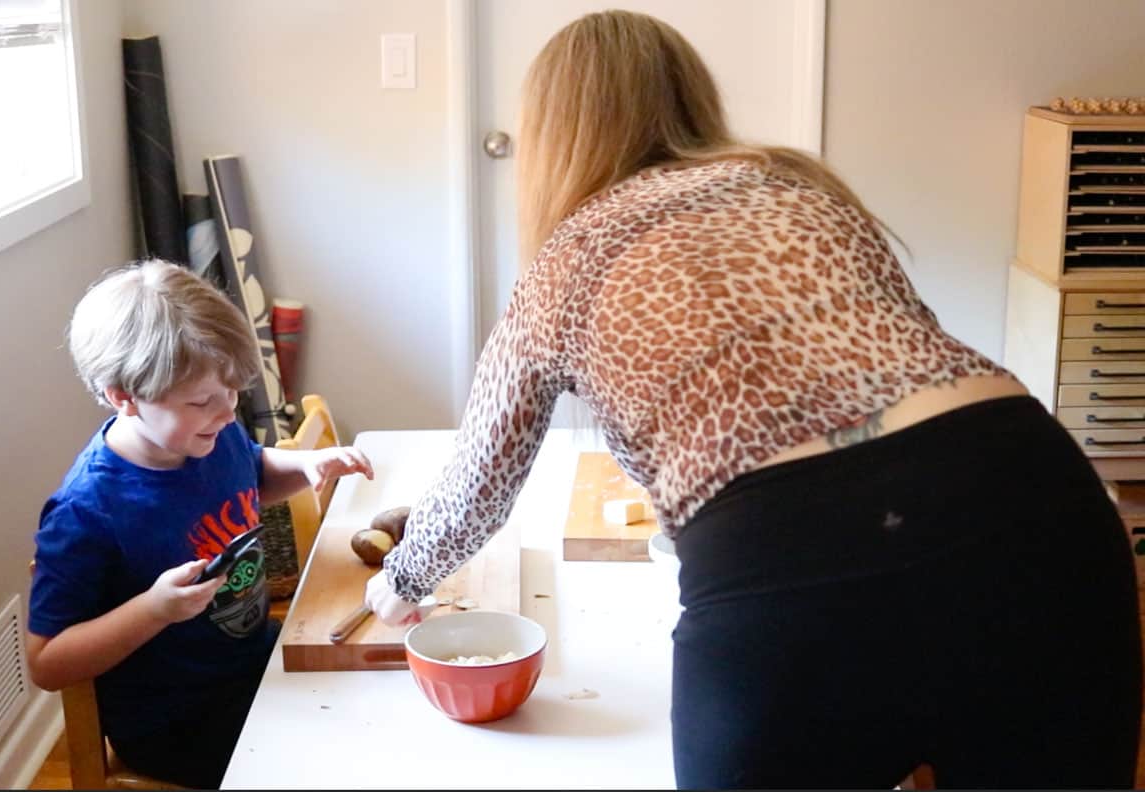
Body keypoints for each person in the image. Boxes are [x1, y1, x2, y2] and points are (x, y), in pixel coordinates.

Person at [366, 9, 1142, 789]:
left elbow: (476, 487)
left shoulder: (563, 263)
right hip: (1036, 496)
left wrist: (396, 588)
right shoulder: (796, 183)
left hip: (791, 561)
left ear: (547, 140)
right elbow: (898, 362)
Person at [27, 259, 374, 789]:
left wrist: (302, 467)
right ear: (124, 396)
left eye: (231, 393)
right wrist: (154, 609)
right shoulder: (87, 512)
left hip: (253, 660)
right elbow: (47, 663)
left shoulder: (208, 436)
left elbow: (251, 474)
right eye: (201, 401)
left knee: (385, 708)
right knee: (335, 765)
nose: (225, 412)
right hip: (177, 721)